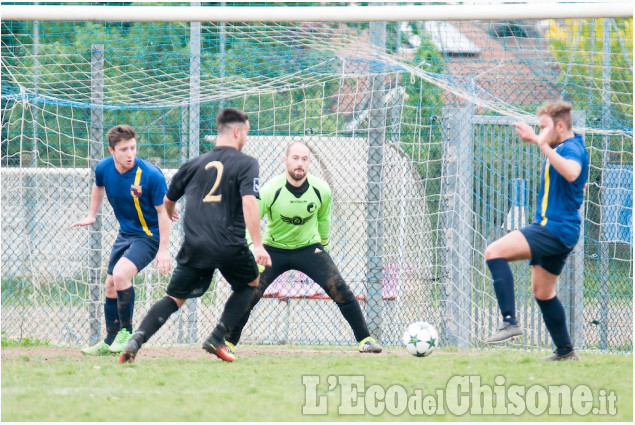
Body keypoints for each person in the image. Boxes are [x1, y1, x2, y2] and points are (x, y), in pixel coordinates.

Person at [118, 107, 271, 363]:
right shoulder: (247, 163)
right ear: (237, 132)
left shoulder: (193, 163)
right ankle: (218, 336)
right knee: (251, 284)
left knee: (174, 298)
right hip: (229, 243)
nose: (246, 138)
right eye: (246, 132)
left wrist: (171, 211)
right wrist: (258, 245)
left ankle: (136, 340)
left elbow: (168, 200)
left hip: (195, 245)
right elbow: (249, 202)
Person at [224, 141, 383, 355]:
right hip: (273, 249)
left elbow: (323, 219)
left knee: (339, 288)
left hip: (309, 248)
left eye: (304, 159)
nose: (300, 163)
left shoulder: (321, 190)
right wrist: (254, 247)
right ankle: (228, 344)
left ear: (309, 163)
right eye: (296, 158)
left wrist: (323, 246)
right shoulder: (270, 189)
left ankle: (365, 340)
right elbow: (249, 220)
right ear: (286, 161)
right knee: (248, 291)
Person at [484, 101, 588, 361]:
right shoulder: (564, 147)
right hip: (560, 230)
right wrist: (540, 141)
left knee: (493, 252)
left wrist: (540, 143)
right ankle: (565, 351)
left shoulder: (572, 147)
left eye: (543, 128)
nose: (540, 133)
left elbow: (574, 173)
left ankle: (510, 322)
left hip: (553, 228)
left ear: (560, 126)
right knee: (543, 292)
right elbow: (577, 184)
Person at [70, 125, 172, 356]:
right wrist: (91, 215)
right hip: (126, 234)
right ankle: (109, 341)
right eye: (124, 149)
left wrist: (163, 249)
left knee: (120, 275)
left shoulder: (150, 174)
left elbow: (163, 211)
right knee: (110, 285)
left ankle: (126, 332)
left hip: (149, 236)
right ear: (112, 150)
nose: (130, 154)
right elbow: (98, 187)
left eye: (133, 148)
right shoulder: (104, 168)